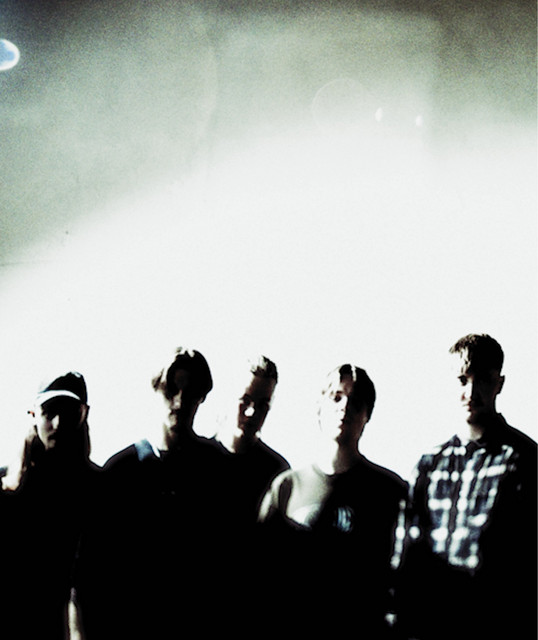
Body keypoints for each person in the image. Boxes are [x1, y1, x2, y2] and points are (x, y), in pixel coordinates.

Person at [393, 333, 537, 640]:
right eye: (462, 380)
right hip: (432, 626)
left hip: (498, 625)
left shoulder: (525, 460)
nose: (471, 392)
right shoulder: (429, 465)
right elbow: (406, 555)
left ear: (499, 384)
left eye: (482, 379)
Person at [75, 346, 222, 640]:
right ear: (156, 388)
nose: (180, 401)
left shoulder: (216, 468)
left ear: (202, 396)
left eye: (191, 391)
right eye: (172, 389)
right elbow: (91, 574)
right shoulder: (121, 471)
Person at [258, 364, 407, 638]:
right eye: (336, 397)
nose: (344, 407)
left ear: (367, 415)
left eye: (356, 401)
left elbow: (402, 581)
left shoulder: (389, 492)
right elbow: (260, 575)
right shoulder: (287, 487)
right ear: (319, 408)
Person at [0, 370, 97, 640]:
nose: (58, 422)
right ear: (33, 415)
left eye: (69, 412)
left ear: (84, 414)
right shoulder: (6, 488)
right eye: (49, 412)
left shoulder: (100, 490)